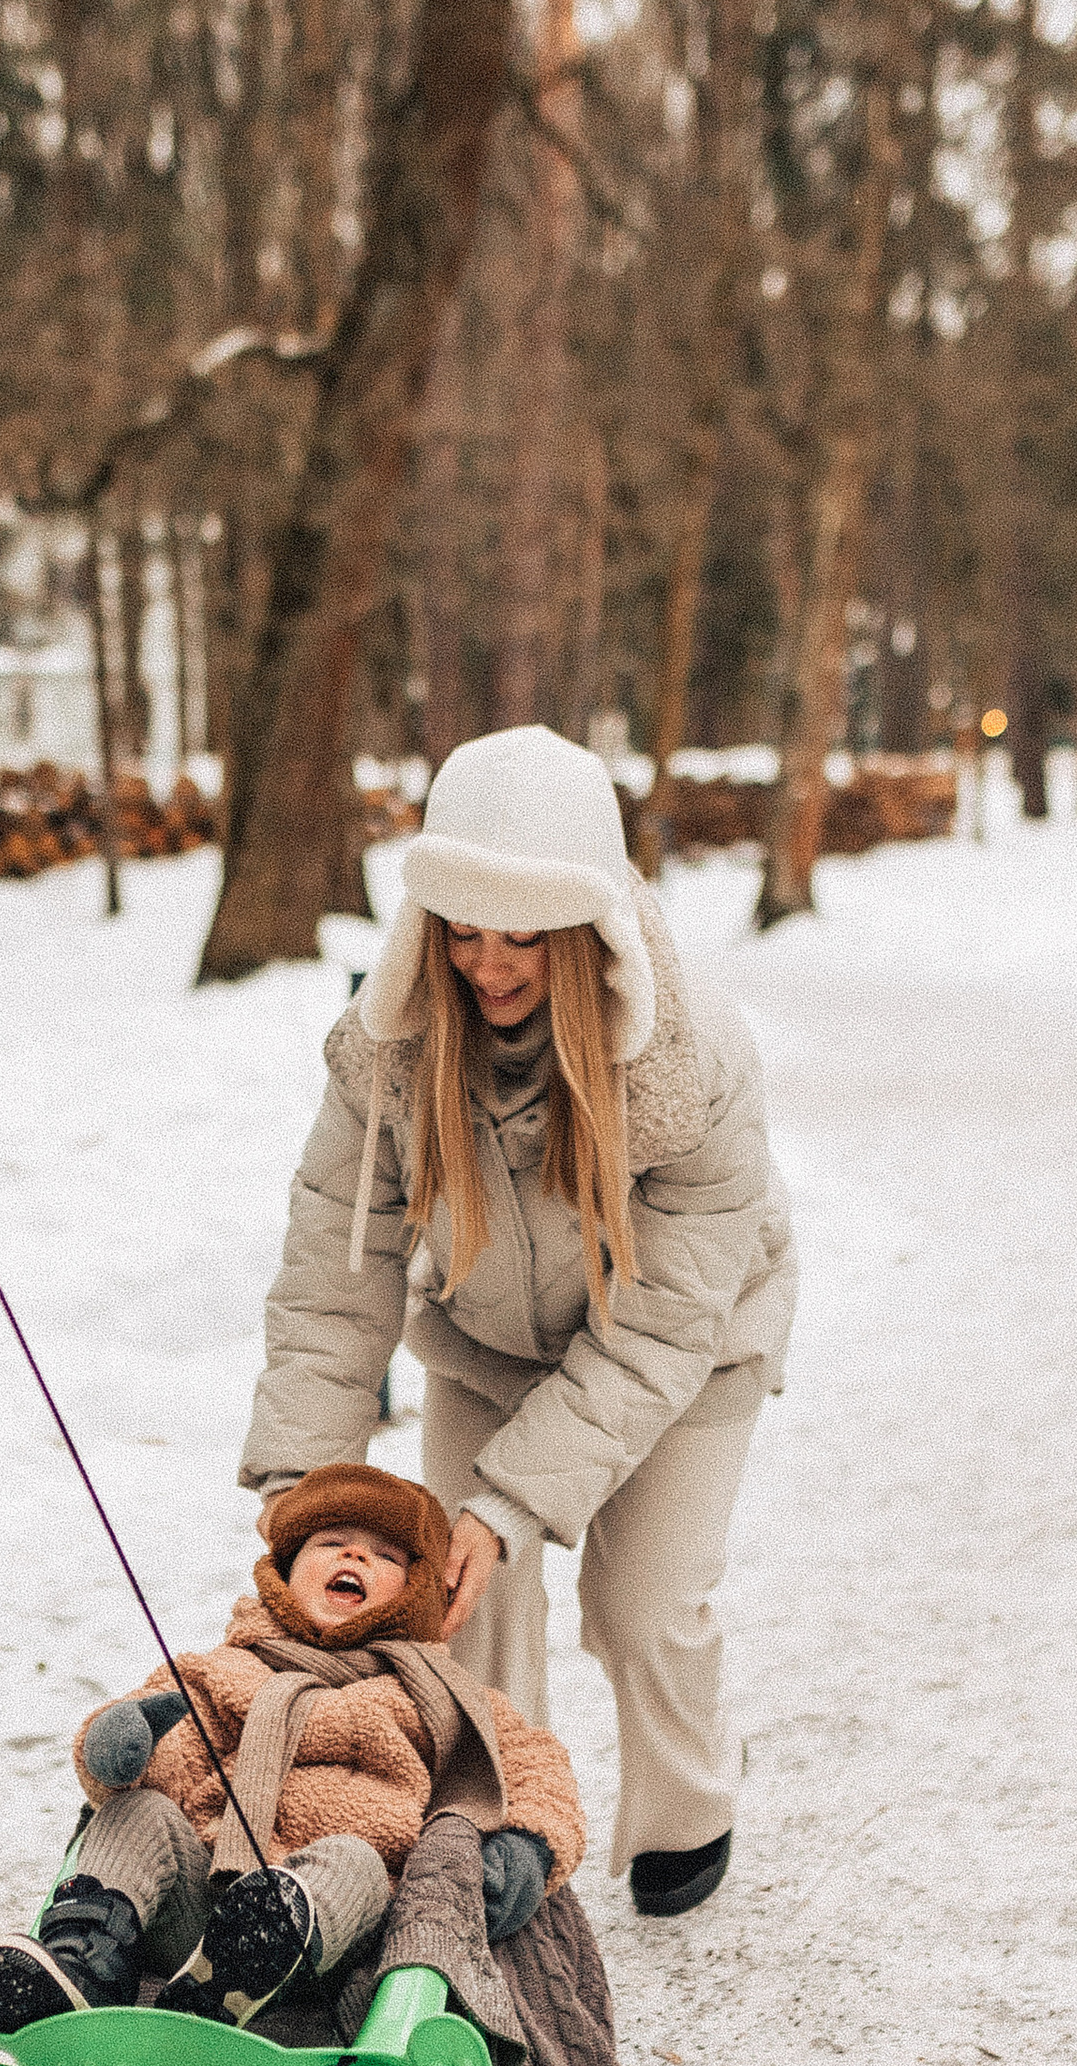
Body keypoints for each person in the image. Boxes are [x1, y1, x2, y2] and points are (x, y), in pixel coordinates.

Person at [243, 724, 795, 1923]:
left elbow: (660, 1329)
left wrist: (511, 1503)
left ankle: (684, 1807)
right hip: (489, 1345)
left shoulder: (692, 1063)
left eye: (525, 936)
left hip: (687, 1353)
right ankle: (490, 1845)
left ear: (588, 928)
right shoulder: (389, 1055)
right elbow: (340, 1264)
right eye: (464, 932)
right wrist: (303, 1477)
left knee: (640, 1602)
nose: (490, 965)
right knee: (461, 1595)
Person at [0, 1464, 581, 2036]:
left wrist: (527, 1845)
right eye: (330, 1542)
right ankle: (82, 1966)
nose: (355, 1554)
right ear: (284, 1573)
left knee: (354, 1856)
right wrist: (123, 1745)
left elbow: (534, 1769)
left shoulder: (442, 1694)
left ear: (417, 1591)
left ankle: (248, 1967)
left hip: (341, 1937)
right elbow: (174, 1756)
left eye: (386, 1555)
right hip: (198, 1911)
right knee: (138, 1813)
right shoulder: (224, 1670)